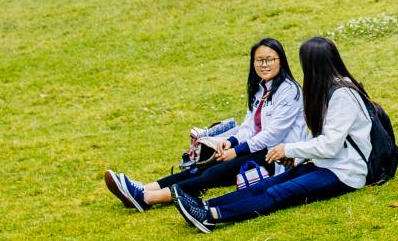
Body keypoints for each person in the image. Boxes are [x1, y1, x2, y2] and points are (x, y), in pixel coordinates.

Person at [172, 37, 373, 234]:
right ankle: (204, 205)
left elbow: (330, 145)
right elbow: (319, 138)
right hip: (325, 164)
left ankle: (212, 216)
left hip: (345, 173)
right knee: (268, 183)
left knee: (278, 193)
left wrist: (288, 149)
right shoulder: (326, 90)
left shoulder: (342, 95)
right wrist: (297, 158)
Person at [104, 38, 303, 211]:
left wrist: (237, 151)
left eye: (270, 59)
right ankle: (144, 188)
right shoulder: (260, 89)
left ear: (281, 61)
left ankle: (148, 199)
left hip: (277, 155)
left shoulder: (289, 91)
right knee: (202, 166)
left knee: (215, 172)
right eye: (259, 60)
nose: (264, 64)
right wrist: (230, 142)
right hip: (256, 148)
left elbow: (274, 134)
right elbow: (249, 127)